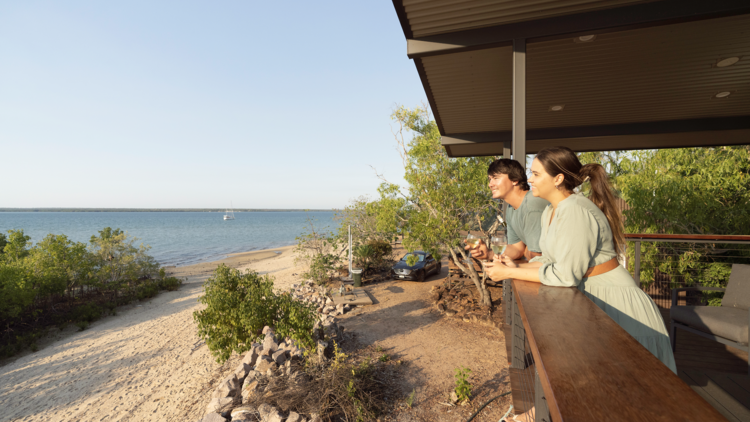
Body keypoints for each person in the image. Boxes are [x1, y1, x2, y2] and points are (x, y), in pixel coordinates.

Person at [484, 146, 677, 373]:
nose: (529, 179)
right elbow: (549, 259)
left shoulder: (575, 210)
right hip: (593, 297)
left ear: (558, 178)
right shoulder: (551, 211)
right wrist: (514, 264)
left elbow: (565, 274)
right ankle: (542, 410)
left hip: (616, 303)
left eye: (536, 174)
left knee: (633, 380)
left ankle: (541, 410)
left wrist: (510, 273)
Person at [467, 159, 549, 261]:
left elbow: (536, 258)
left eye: (496, 178)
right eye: (490, 179)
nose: (490, 184)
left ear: (515, 180)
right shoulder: (511, 208)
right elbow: (517, 249)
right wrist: (488, 254)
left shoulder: (531, 206)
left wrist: (510, 270)